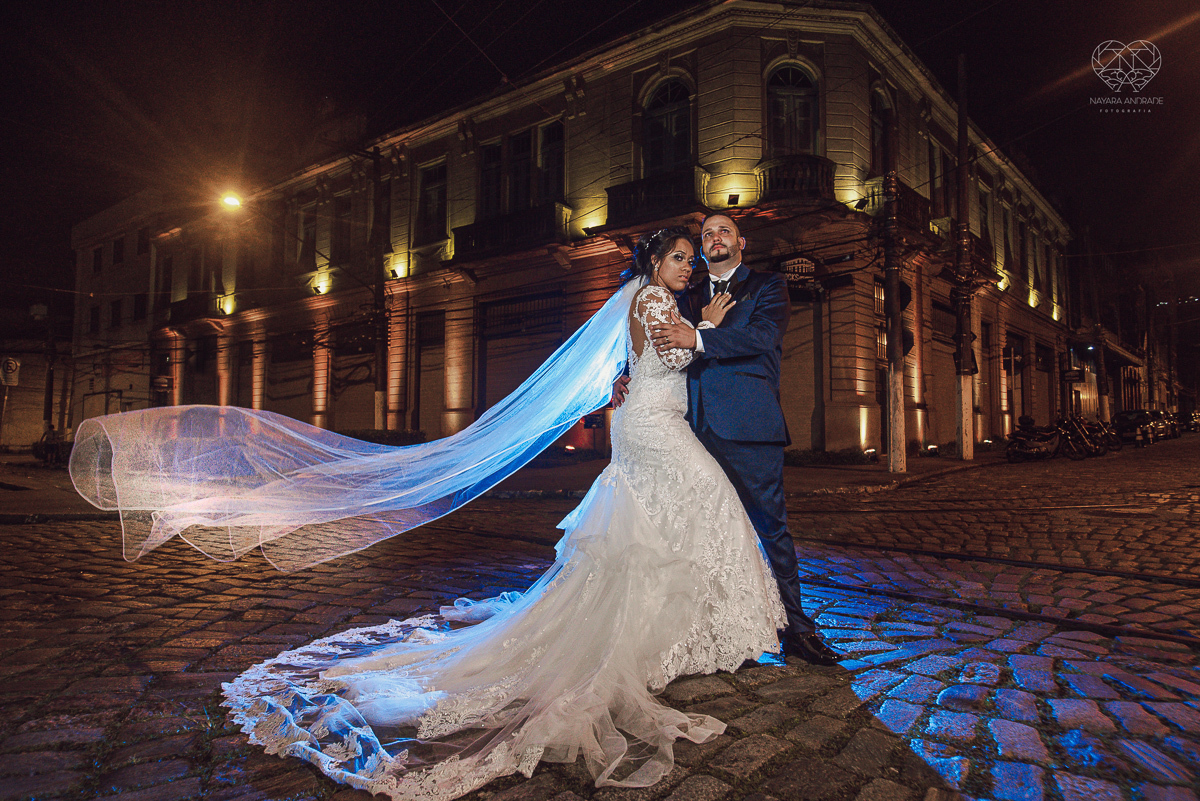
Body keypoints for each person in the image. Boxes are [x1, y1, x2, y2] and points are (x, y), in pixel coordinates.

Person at [200, 229, 786, 800]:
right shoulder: (656, 298)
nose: (687, 266)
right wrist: (705, 323)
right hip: (655, 429)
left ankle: (682, 630)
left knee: (659, 526)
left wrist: (634, 369)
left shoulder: (638, 297)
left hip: (649, 424)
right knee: (691, 507)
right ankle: (685, 631)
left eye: (691, 258)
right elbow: (671, 349)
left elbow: (639, 358)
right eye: (678, 256)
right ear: (655, 261)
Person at [621, 213, 840, 667]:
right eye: (706, 235)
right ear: (700, 249)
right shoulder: (686, 290)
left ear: (741, 241)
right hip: (687, 429)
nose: (714, 238)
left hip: (747, 426)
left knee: (770, 528)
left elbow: (762, 337)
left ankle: (796, 628)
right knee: (697, 532)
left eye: (723, 231)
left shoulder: (769, 286)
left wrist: (699, 338)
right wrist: (626, 375)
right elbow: (656, 341)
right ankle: (713, 628)